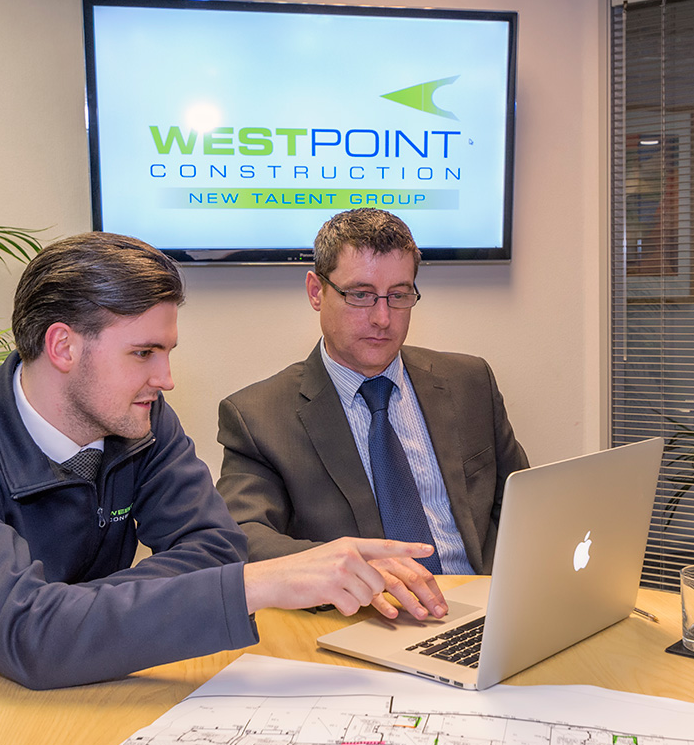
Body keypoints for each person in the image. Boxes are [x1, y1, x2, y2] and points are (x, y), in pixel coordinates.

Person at [0, 232, 432, 703]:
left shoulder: (142, 420)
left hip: (92, 682)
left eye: (167, 352)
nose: (165, 379)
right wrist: (37, 631)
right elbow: (35, 635)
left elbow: (214, 549)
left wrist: (56, 625)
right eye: (143, 353)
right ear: (63, 347)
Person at [217, 208, 528, 619]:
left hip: (485, 610)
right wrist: (349, 569)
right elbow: (241, 536)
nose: (382, 319)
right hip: (363, 618)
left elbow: (523, 504)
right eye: (360, 295)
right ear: (316, 291)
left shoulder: (469, 382)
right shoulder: (258, 416)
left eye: (399, 296)